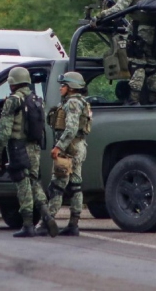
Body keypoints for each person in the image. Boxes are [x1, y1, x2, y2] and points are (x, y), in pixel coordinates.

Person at [0, 67, 58, 238]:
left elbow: (4, 132)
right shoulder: (37, 99)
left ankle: (28, 224)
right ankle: (46, 214)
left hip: (18, 147)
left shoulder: (13, 101)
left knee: (22, 184)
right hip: (35, 147)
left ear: (12, 83)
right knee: (34, 182)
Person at [42, 71, 92, 237]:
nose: (60, 88)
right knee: (76, 185)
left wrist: (58, 147)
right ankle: (73, 224)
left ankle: (47, 222)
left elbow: (70, 129)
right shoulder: (81, 102)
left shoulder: (71, 103)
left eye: (63, 85)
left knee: (57, 184)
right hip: (79, 147)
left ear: (70, 88)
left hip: (69, 149)